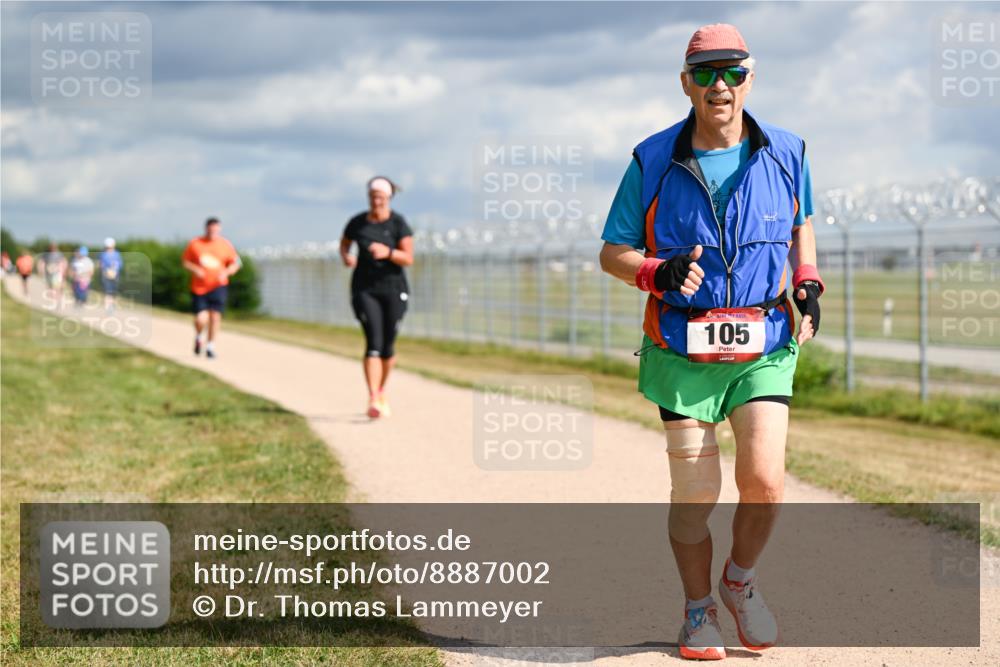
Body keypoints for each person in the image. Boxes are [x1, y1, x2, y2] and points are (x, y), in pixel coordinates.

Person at [598, 24, 822, 661]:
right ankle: (698, 611)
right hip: (682, 351)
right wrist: (654, 271)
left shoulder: (788, 150)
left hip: (764, 341)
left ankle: (739, 582)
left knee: (766, 481)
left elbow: (800, 226)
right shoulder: (651, 159)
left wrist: (806, 281)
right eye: (704, 73)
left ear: (750, 78)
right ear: (685, 83)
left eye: (731, 71)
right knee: (695, 498)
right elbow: (612, 251)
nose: (718, 85)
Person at [340, 176, 414, 419]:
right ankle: (373, 396)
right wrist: (347, 257)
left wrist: (388, 252)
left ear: (389, 198)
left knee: (387, 345)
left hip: (393, 288)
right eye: (373, 197)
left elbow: (409, 258)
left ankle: (382, 390)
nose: (376, 201)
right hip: (364, 288)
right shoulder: (358, 223)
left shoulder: (398, 224)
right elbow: (345, 243)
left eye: (381, 197)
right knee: (373, 341)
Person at [182, 217, 241, 359]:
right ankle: (199, 336)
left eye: (216, 229)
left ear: (219, 229)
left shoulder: (225, 244)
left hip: (218, 285)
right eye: (211, 229)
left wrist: (227, 272)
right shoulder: (195, 243)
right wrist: (196, 270)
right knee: (201, 319)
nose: (213, 231)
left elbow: (236, 262)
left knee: (215, 316)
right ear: (206, 228)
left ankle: (210, 347)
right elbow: (185, 262)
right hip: (199, 287)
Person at [38, 243, 67, 308]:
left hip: (57, 273)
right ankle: (55, 301)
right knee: (50, 288)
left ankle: (56, 302)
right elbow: (41, 262)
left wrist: (63, 271)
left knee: (55, 288)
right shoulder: (46, 254)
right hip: (48, 273)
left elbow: (64, 262)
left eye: (54, 247)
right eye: (51, 247)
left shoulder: (59, 254)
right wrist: (41, 270)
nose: (53, 248)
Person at [100, 237, 124, 312]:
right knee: (107, 291)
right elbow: (102, 264)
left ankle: (112, 306)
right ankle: (107, 307)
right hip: (106, 275)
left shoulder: (117, 254)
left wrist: (115, 269)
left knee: (113, 291)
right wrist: (106, 270)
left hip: (115, 275)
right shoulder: (103, 254)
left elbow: (120, 264)